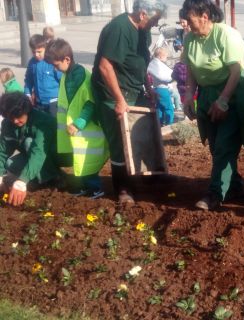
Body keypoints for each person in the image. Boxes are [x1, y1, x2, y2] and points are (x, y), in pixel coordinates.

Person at [181, 0, 244, 211]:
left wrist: (223, 100)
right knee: (216, 146)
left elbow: (235, 71)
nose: (187, 24)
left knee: (225, 145)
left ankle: (215, 194)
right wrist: (189, 96)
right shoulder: (190, 38)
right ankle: (235, 185)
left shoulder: (226, 34)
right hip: (207, 95)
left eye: (190, 19)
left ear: (204, 16)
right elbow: (191, 70)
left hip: (232, 93)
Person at [91, 0, 165, 204]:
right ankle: (123, 187)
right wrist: (119, 100)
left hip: (132, 88)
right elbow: (105, 67)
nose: (155, 23)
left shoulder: (143, 29)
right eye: (155, 19)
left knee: (141, 132)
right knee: (119, 139)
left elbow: (140, 61)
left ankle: (147, 174)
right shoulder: (119, 29)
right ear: (142, 14)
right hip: (111, 92)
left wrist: (148, 89)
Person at [45, 39, 109, 199]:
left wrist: (79, 122)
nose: (55, 68)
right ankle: (85, 186)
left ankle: (96, 189)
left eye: (56, 64)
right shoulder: (68, 76)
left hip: (86, 131)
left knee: (87, 163)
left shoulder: (81, 76)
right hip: (77, 132)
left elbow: (90, 103)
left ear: (67, 59)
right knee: (80, 162)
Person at [0, 92, 61, 206]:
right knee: (10, 163)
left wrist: (21, 181)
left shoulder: (42, 121)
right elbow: (2, 151)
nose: (15, 121)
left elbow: (38, 152)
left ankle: (53, 179)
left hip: (55, 155)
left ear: (26, 110)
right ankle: (36, 180)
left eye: (18, 116)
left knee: (29, 143)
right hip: (33, 155)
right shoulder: (8, 125)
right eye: (11, 117)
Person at [24, 34, 62, 116]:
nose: (36, 54)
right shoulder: (32, 62)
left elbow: (62, 80)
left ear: (45, 48)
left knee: (55, 125)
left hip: (54, 102)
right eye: (34, 52)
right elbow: (28, 80)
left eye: (39, 52)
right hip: (39, 102)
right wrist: (27, 93)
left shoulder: (52, 62)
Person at [148, 47, 176, 126]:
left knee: (159, 108)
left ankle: (158, 124)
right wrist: (173, 77)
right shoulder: (156, 65)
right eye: (165, 57)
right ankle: (169, 124)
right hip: (162, 89)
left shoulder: (154, 64)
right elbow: (163, 77)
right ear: (160, 56)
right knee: (169, 108)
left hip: (157, 88)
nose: (166, 58)